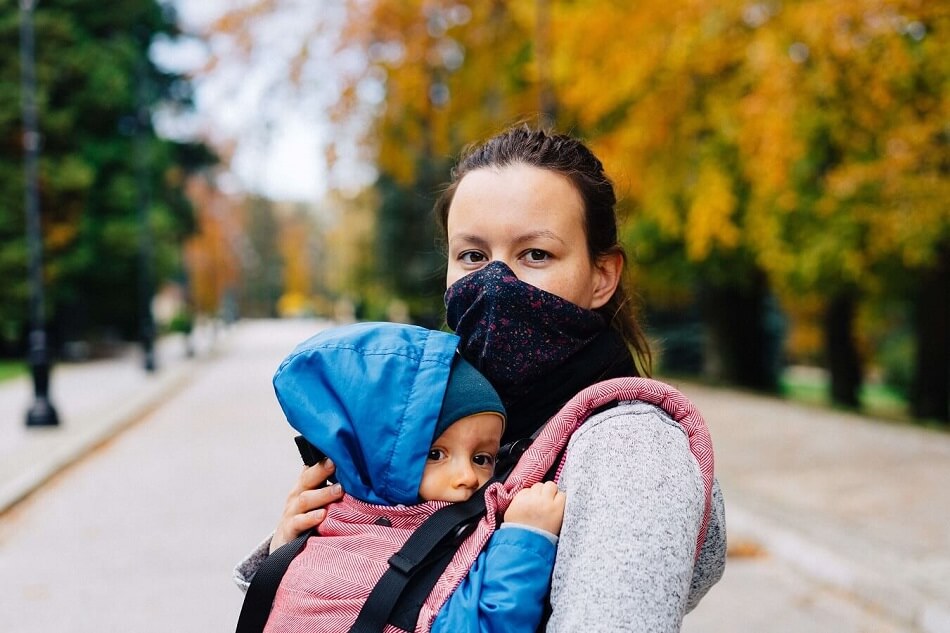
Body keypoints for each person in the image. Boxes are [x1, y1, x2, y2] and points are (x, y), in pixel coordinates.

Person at [235, 125, 726, 631]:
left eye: (535, 254)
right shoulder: (444, 411)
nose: (495, 283)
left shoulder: (630, 449)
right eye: (472, 255)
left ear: (602, 276)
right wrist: (302, 551)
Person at [261, 321, 565, 632]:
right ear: (375, 458)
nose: (468, 477)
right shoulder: (339, 558)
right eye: (435, 454)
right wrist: (526, 539)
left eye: (481, 458)